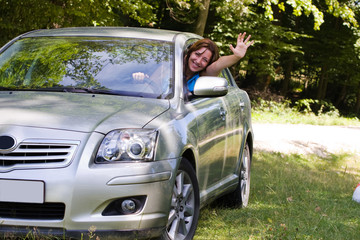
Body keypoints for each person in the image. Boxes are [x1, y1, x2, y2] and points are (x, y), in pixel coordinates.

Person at [184, 32, 254, 93]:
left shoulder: (203, 76)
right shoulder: (174, 65)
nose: (198, 61)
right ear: (190, 52)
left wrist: (236, 57)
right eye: (197, 54)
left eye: (205, 60)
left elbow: (219, 64)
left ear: (208, 64)